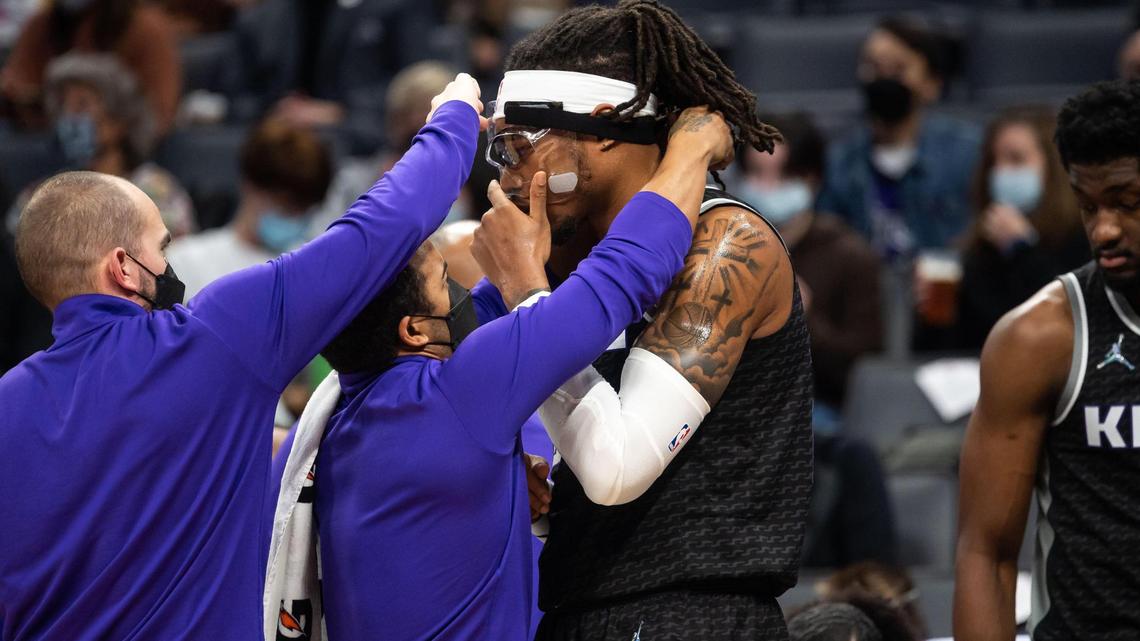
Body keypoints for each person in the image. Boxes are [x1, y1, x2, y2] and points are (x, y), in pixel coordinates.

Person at [0, 74, 483, 641]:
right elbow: (383, 228)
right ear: (124, 267)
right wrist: (453, 118)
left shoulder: (8, 401)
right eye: (161, 248)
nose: (169, 267)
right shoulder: (212, 338)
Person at [267, 108, 733, 641]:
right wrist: (692, 148)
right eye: (446, 281)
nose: (464, 297)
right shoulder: (456, 393)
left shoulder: (328, 424)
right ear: (413, 331)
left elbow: (487, 315)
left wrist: (498, 485)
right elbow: (627, 271)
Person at [476, 2, 813, 638]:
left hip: (693, 613)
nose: (509, 175)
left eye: (519, 146)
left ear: (605, 129)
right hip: (583, 610)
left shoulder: (725, 243)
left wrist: (525, 293)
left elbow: (619, 467)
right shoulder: (577, 255)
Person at [955, 79, 1140, 640]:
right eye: (1088, 206)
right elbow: (986, 554)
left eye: (1128, 204)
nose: (1104, 230)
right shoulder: (1040, 337)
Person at [737, 111, 882, 415]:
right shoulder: (727, 248)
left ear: (812, 179)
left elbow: (863, 374)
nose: (767, 187)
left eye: (784, 176)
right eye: (757, 173)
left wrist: (806, 317)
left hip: (819, 408)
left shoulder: (851, 256)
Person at [817, 16, 979, 260]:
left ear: (932, 84)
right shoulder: (839, 162)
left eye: (898, 68)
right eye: (873, 66)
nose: (884, 77)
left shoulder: (967, 154)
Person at [5, 53, 196, 239]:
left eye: (82, 105)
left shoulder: (155, 189)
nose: (69, 115)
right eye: (63, 105)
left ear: (119, 120)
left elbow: (173, 252)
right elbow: (16, 246)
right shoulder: (45, 193)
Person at [954, 106, 1088, 350]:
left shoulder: (1082, 237)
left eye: (1016, 159)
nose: (1000, 171)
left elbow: (1071, 318)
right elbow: (964, 340)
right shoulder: (981, 247)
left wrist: (1022, 250)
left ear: (1053, 166)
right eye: (993, 161)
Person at [225, 0, 436, 155]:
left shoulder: (398, 8)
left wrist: (337, 112)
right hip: (282, 129)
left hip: (362, 127)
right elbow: (238, 97)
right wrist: (278, 110)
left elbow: (417, 86)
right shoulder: (264, 18)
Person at [167, 118, 332, 298]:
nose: (294, 217)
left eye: (303, 209)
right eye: (283, 205)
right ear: (249, 186)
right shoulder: (185, 261)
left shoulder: (313, 270)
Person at [1, 0, 181, 134]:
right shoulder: (42, 25)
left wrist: (112, 131)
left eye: (81, 104)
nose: (74, 113)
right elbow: (15, 86)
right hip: (49, 144)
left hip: (127, 153)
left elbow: (158, 115)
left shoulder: (146, 28)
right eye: (66, 103)